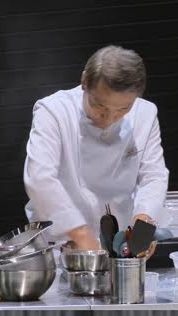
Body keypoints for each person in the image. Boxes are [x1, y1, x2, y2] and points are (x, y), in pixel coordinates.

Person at [23, 45, 169, 249]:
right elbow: (40, 178)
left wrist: (142, 229)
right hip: (61, 245)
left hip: (121, 245)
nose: (109, 118)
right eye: (100, 106)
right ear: (84, 81)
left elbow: (153, 177)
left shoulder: (145, 113)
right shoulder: (54, 111)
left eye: (123, 109)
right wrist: (83, 238)